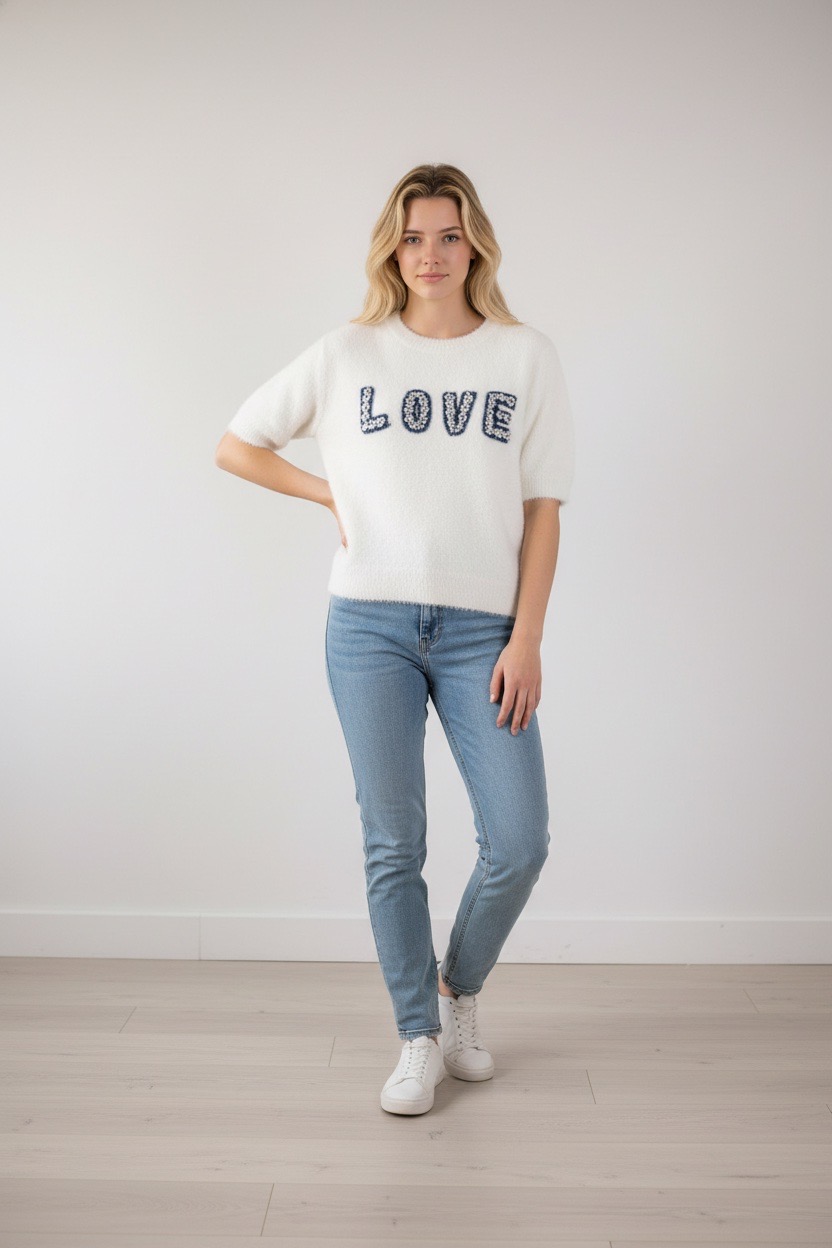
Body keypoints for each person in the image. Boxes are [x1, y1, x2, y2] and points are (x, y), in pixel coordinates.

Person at [215, 163, 575, 1116]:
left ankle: (457, 991)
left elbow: (543, 510)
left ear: (474, 244)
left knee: (519, 840)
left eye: (448, 236)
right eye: (413, 238)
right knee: (394, 842)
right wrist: (328, 493)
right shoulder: (348, 353)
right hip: (367, 625)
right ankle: (417, 1035)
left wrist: (527, 637)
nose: (430, 255)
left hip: (482, 632)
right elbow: (237, 443)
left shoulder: (524, 356)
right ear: (392, 248)